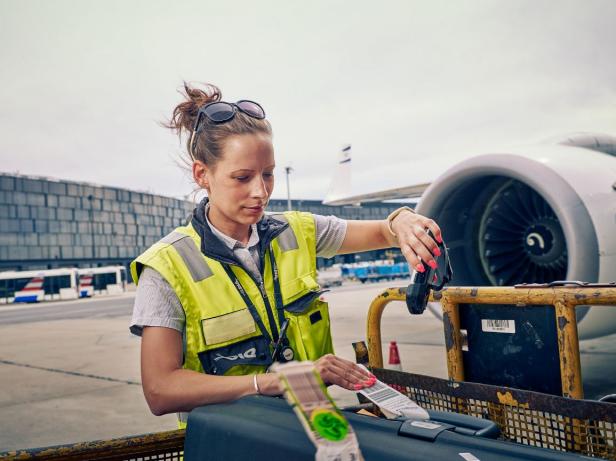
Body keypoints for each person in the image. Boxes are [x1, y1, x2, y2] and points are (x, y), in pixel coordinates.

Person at [129, 82, 443, 427]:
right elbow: (161, 390)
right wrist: (280, 381)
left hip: (314, 435)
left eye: (268, 174)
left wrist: (403, 220)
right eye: (242, 177)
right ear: (202, 174)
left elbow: (384, 231)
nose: (260, 192)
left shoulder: (297, 230)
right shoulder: (166, 267)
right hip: (231, 446)